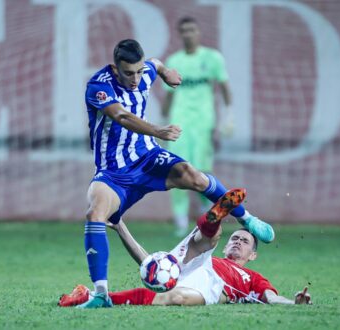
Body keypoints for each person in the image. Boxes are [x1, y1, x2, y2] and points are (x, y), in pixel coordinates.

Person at [80, 39, 274, 308]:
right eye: (128, 73)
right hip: (114, 173)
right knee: (95, 213)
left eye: (138, 72)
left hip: (148, 157)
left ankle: (247, 219)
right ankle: (100, 294)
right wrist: (157, 130)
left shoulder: (144, 71)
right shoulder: (99, 86)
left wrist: (166, 71)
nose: (135, 79)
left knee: (193, 175)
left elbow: (155, 65)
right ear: (115, 68)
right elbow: (122, 116)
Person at [61, 190, 311, 307]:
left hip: (215, 287)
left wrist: (293, 303)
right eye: (235, 239)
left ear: (253, 255)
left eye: (244, 242)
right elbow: (149, 265)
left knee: (175, 297)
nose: (237, 242)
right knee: (207, 242)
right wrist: (119, 225)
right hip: (202, 262)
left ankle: (92, 297)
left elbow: (271, 298)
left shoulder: (254, 278)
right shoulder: (216, 257)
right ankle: (215, 218)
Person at [162, 16, 234, 236]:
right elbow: (168, 96)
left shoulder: (212, 58)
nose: (188, 34)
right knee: (177, 169)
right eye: (184, 30)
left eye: (192, 30)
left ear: (198, 32)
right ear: (179, 34)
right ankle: (181, 221)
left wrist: (228, 117)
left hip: (204, 123)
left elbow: (224, 88)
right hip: (179, 122)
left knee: (203, 171)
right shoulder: (174, 60)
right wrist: (162, 121)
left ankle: (207, 215)